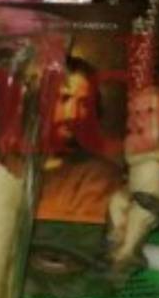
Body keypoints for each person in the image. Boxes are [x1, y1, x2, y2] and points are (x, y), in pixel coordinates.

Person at [35, 56, 125, 224]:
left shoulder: (100, 177)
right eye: (64, 98)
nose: (73, 114)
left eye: (83, 103)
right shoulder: (11, 166)